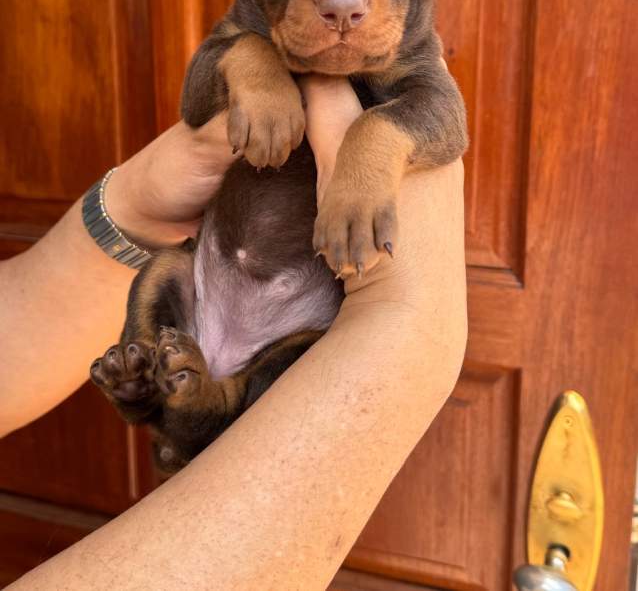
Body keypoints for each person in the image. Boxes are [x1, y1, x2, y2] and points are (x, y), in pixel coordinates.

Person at [1, 75, 467, 591]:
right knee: (176, 281)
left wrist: (132, 206)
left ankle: (158, 388)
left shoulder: (407, 61)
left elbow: (444, 120)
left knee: (172, 283)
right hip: (222, 287)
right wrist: (406, 326)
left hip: (282, 315)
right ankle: (187, 400)